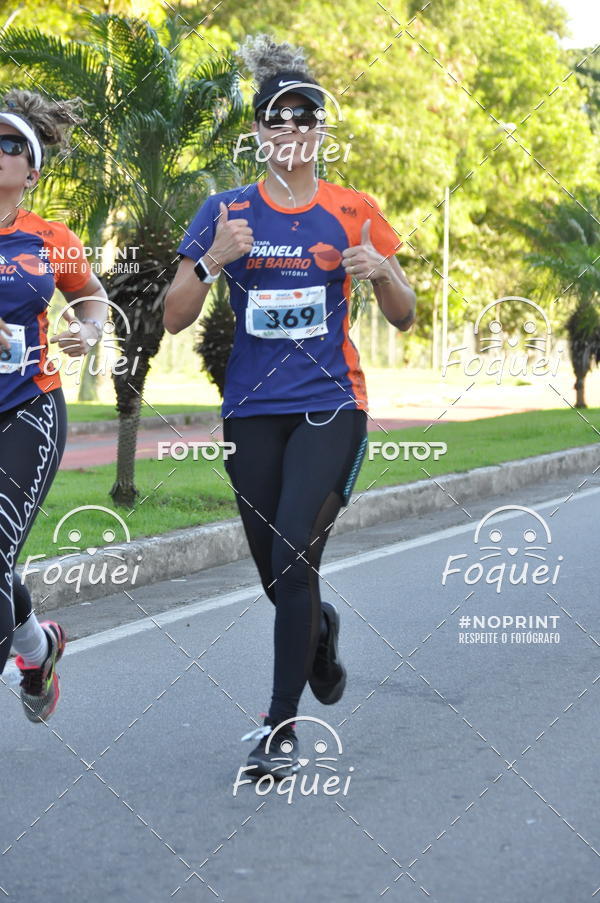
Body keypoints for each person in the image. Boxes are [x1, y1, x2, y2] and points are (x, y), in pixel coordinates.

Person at [164, 35, 416, 778]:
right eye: (279, 119)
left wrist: (380, 275)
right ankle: (320, 633)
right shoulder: (226, 210)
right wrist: (213, 261)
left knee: (295, 552)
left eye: (306, 118)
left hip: (331, 404)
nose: (293, 131)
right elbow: (174, 317)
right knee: (277, 573)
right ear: (260, 134)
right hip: (251, 409)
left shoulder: (354, 210)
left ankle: (279, 726)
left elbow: (404, 313)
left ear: (320, 133)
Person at [0, 89, 108, 722]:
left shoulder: (51, 238)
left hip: (27, 411)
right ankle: (38, 650)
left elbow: (91, 296)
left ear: (32, 170)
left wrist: (89, 330)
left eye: (10, 144)